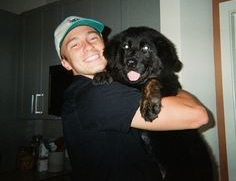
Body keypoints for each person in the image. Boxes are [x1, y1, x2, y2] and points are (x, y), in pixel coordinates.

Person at [54, 16, 209, 181]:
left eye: (92, 38)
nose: (88, 47)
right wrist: (162, 84)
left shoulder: (107, 84)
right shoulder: (95, 94)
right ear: (65, 63)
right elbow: (198, 115)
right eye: (75, 44)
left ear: (105, 45)